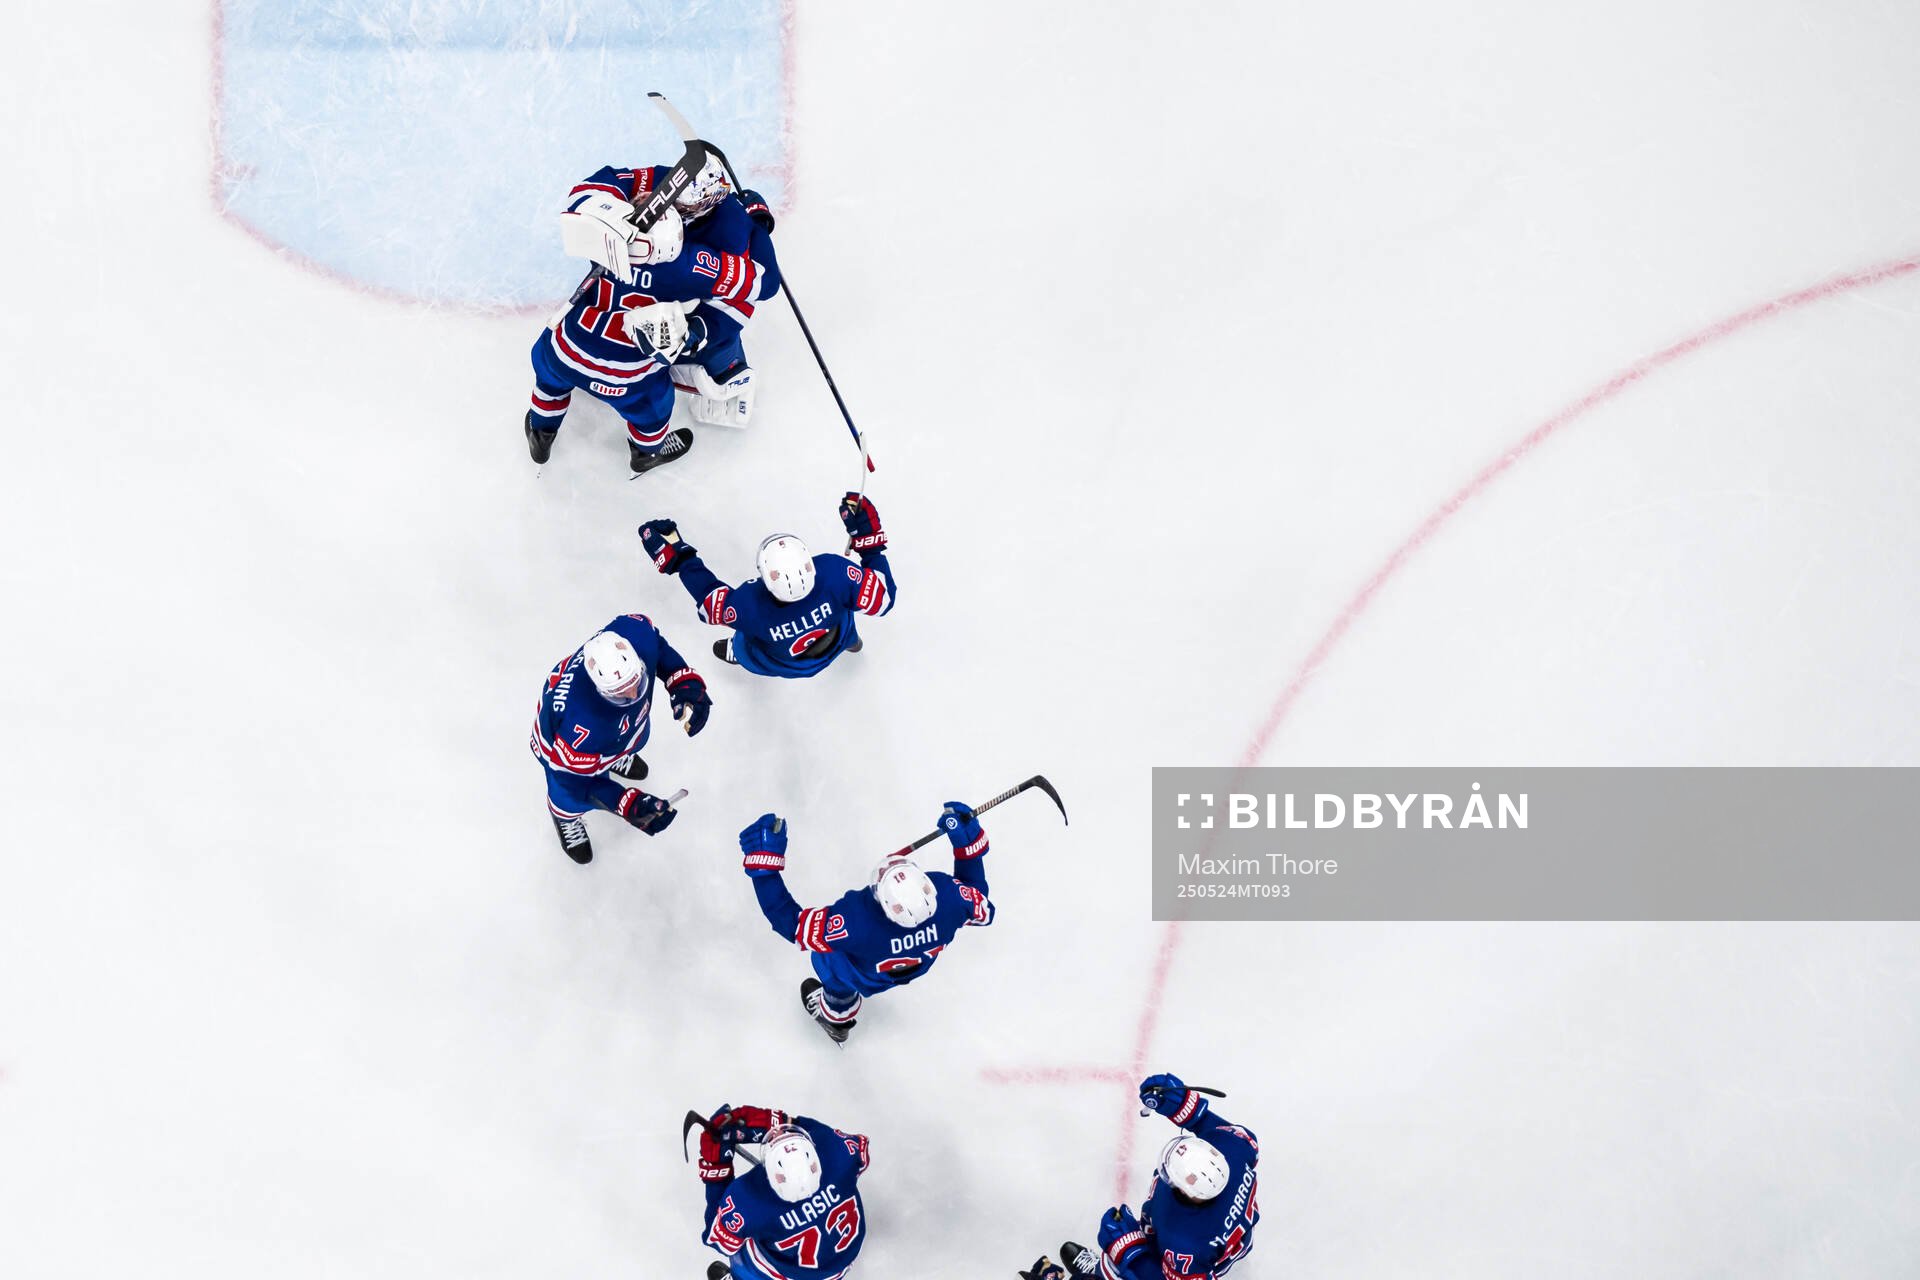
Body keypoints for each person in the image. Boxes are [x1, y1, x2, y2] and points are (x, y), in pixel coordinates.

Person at [527, 156, 781, 472]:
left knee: (549, 380)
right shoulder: (689, 265)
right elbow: (764, 283)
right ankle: (645, 453)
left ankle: (541, 432)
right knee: (653, 410)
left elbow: (587, 192)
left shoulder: (606, 239)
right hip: (627, 377)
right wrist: (757, 225)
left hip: (566, 348)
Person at [736, 803, 994, 1043]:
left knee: (831, 966)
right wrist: (967, 846)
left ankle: (835, 1017)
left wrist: (764, 867)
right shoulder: (950, 899)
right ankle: (839, 1012)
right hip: (917, 963)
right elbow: (978, 897)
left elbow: (791, 925)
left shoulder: (856, 922)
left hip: (862, 973)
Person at [1023, 1075, 1260, 1280]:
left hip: (1193, 1263)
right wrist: (1181, 1106)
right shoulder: (1236, 1149)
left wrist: (1129, 1251)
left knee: (1120, 1267)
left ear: (1189, 1191)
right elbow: (1208, 1125)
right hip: (1220, 1242)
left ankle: (1100, 1272)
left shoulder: (1185, 1244)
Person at [637, 493, 895, 678]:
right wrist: (869, 541)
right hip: (837, 634)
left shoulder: (749, 605)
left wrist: (680, 559)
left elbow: (709, 600)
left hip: (788, 664)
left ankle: (739, 654)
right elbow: (883, 600)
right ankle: (851, 642)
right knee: (844, 622)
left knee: (744, 645)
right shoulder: (834, 572)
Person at [528, 614, 710, 862]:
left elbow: (657, 646)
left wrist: (683, 682)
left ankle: (614, 757)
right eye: (620, 693)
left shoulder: (634, 633)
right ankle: (564, 817)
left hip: (607, 737)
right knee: (566, 796)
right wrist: (626, 802)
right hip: (564, 754)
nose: (634, 693)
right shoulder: (581, 727)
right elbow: (575, 782)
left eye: (636, 680)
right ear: (599, 689)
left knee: (631, 737)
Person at [694, 1104, 869, 1280]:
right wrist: (785, 1122)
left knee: (745, 1260)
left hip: (784, 1274)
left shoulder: (748, 1199)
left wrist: (716, 1167)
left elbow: (718, 1239)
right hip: (843, 1261)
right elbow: (861, 1156)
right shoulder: (836, 1150)